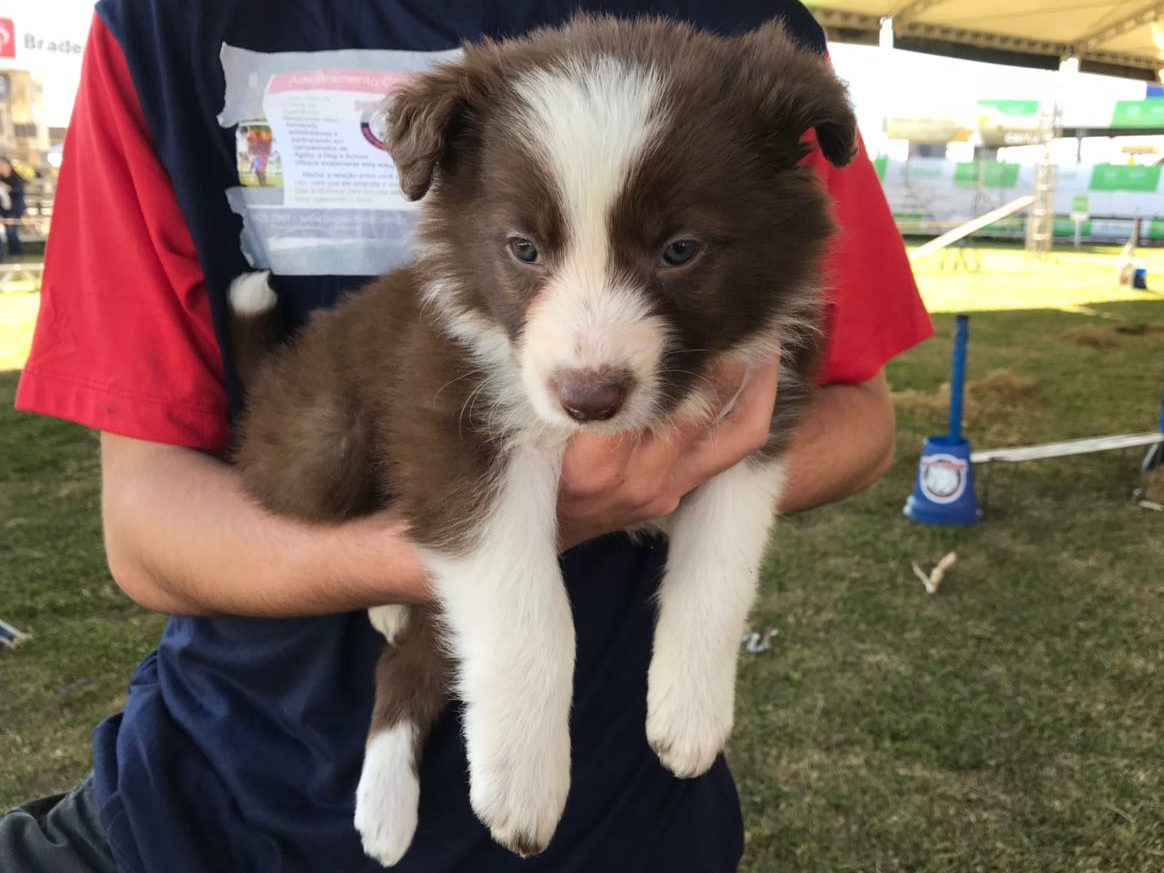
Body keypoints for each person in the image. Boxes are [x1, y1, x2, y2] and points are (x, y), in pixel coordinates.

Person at [5, 1, 932, 871]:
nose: (590, 358)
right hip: (215, 806)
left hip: (621, 820)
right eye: (528, 252)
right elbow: (143, 534)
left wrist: (683, 489)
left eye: (678, 252)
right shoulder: (170, 19)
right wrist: (498, 542)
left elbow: (859, 419)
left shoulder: (738, 39)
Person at [0, 157, 26, 258]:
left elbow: (19, 191)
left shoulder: (16, 178)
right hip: (3, 209)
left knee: (11, 231)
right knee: (8, 232)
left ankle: (17, 253)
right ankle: (10, 254)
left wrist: (8, 189)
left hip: (15, 209)